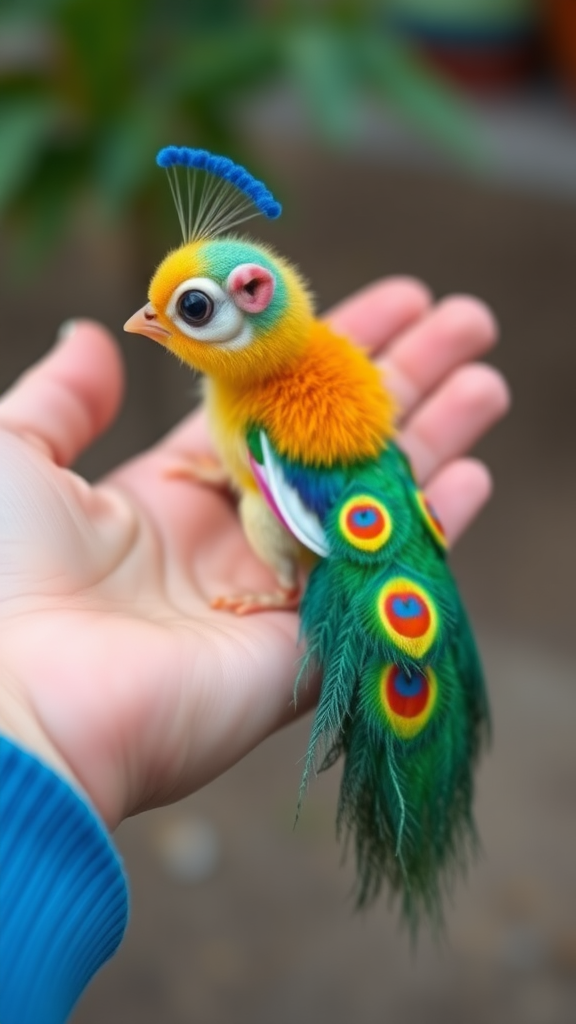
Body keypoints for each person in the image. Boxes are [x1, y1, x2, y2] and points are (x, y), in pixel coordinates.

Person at [0, 279, 509, 1024]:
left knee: (261, 497)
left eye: (189, 310)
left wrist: (282, 581)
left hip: (307, 508)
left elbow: (295, 513)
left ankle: (272, 585)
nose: (150, 320)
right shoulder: (248, 393)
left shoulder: (269, 414)